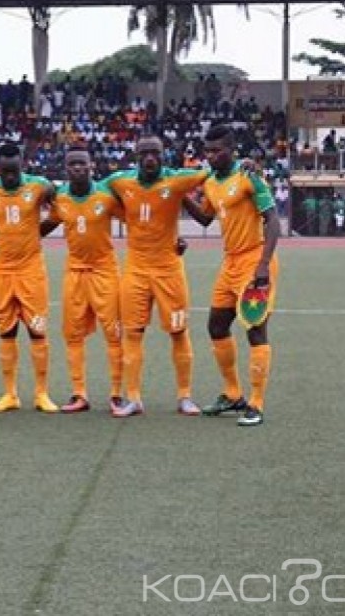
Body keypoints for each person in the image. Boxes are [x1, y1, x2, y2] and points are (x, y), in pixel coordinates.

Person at [183, 125, 281, 427]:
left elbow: (273, 219)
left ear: (232, 149)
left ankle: (256, 403)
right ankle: (233, 393)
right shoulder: (212, 182)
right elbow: (204, 217)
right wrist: (180, 196)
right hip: (230, 263)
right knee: (216, 326)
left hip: (255, 259)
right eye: (208, 151)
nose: (212, 156)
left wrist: (263, 264)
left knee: (254, 329)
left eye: (218, 150)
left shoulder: (250, 177)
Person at [107, 135, 210, 417]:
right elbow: (94, 192)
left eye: (155, 153)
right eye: (144, 154)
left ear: (164, 155)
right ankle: (134, 398)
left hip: (168, 270)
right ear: (136, 157)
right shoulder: (120, 181)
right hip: (136, 270)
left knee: (178, 332)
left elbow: (212, 171)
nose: (150, 158)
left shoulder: (176, 181)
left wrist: (243, 164)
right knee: (133, 333)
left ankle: (185, 396)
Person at [0, 143, 58, 413]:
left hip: (32, 270)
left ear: (22, 163)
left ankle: (41, 394)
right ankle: (10, 395)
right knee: (6, 332)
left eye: (14, 169)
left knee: (37, 331)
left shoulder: (38, 186)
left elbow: (59, 208)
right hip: (2, 271)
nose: (9, 175)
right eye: (5, 170)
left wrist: (37, 233)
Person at [39, 149, 124, 414]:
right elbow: (45, 226)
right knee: (72, 334)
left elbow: (138, 221)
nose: (77, 168)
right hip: (74, 272)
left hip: (104, 272)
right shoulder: (60, 198)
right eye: (72, 164)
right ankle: (79, 394)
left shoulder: (107, 197)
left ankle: (117, 394)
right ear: (66, 168)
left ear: (91, 166)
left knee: (114, 334)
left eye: (82, 164)